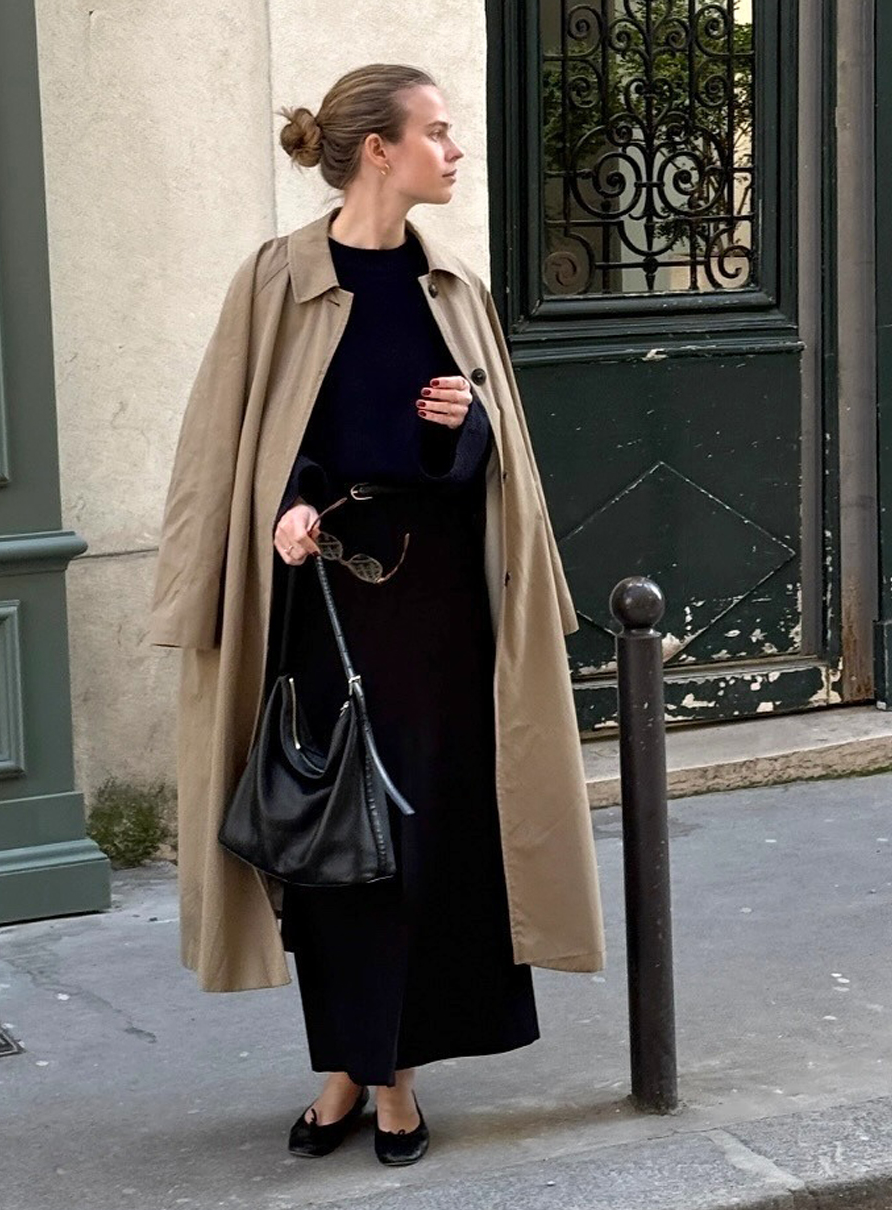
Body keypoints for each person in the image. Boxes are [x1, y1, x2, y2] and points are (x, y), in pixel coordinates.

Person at [148, 62, 605, 1171]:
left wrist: (463, 429)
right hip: (326, 604)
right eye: (437, 132)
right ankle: (350, 1065)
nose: (455, 150)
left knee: (428, 838)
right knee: (334, 838)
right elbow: (238, 440)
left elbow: (495, 458)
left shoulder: (452, 286)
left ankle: (390, 1074)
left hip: (442, 608)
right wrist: (287, 507)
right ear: (377, 151)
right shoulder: (276, 280)